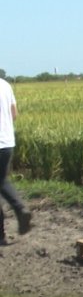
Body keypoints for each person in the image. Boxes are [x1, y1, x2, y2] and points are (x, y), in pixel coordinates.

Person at [0, 76, 32, 246]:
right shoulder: (5, 85)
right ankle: (19, 209)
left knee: (1, 182)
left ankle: (18, 209)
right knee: (1, 180)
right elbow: (14, 114)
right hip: (6, 143)